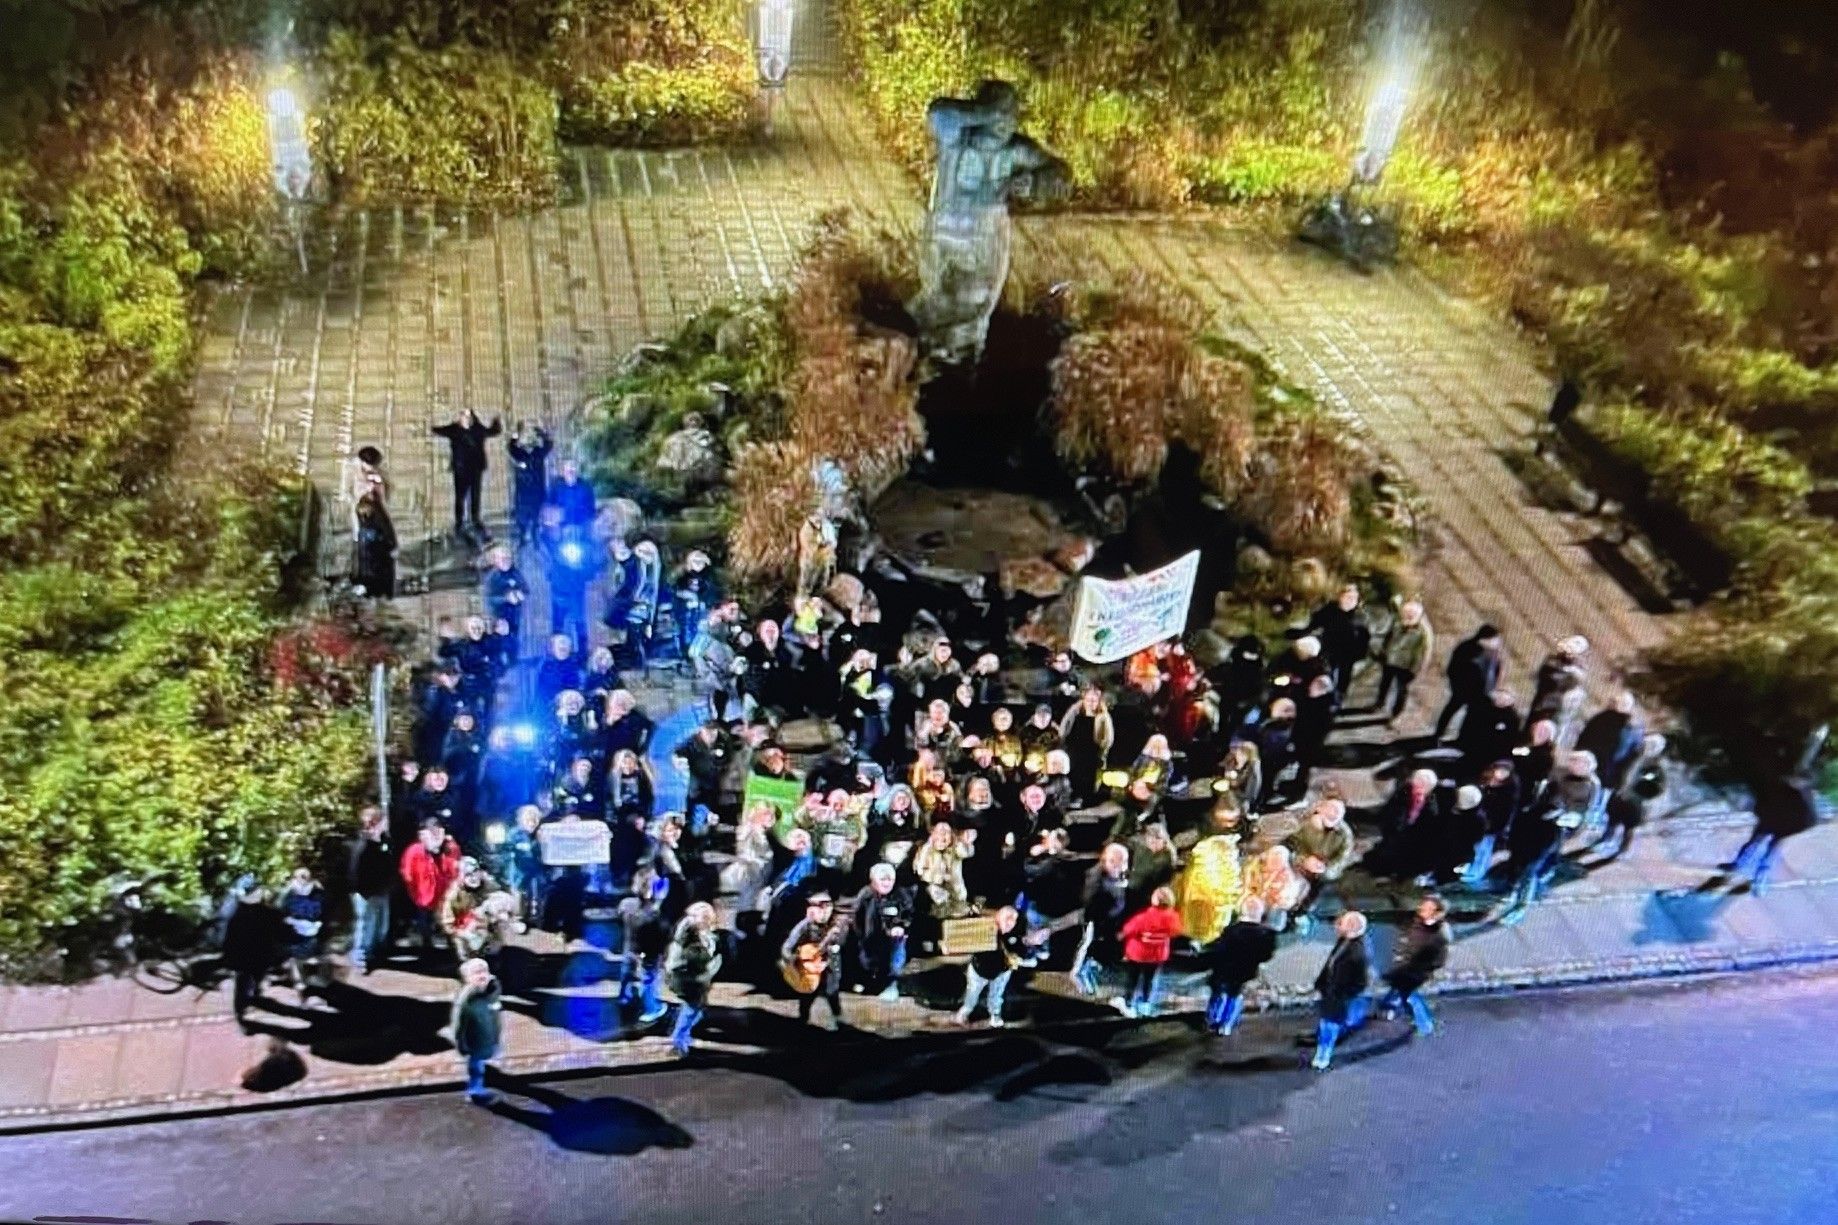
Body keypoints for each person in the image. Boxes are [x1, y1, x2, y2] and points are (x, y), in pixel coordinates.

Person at [1723, 772, 1820, 896]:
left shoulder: (1799, 795)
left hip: (1787, 823)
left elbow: (1807, 819)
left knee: (1770, 849)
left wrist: (1782, 829)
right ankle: (1742, 868)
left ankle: (1757, 879)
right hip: (1777, 818)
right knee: (1758, 843)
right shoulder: (1785, 787)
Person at [1204, 896, 1279, 1035]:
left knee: (1220, 992)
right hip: (1246, 970)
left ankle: (1214, 1020)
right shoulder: (1266, 934)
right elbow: (1266, 956)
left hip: (1225, 969)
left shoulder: (1232, 930)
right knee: (1236, 995)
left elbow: (1219, 950)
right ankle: (1227, 1025)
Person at [1379, 895, 1451, 1036]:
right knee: (1399, 990)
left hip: (1415, 972)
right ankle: (1389, 1008)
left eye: (1428, 907)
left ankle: (1425, 1025)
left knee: (1410, 996)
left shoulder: (1438, 936)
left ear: (1437, 913)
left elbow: (1439, 960)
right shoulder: (1418, 922)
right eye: (1423, 905)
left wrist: (1418, 967)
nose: (1422, 908)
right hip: (1404, 967)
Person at [1311, 911, 1372, 1071]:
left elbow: (1361, 981)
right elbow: (1330, 963)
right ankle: (1322, 1050)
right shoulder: (1344, 941)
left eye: (1342, 922)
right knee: (1326, 1023)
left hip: (1340, 996)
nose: (1338, 925)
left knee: (1330, 1025)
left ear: (1352, 926)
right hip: (1330, 992)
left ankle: (1324, 1055)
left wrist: (1345, 994)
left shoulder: (1359, 951)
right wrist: (1321, 983)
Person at [432, 409, 503, 545]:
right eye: (462, 415)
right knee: (460, 497)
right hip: (461, 469)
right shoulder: (454, 429)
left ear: (471, 418)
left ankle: (475, 519)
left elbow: (493, 432)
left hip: (475, 469)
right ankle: (459, 522)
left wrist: (496, 422)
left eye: (465, 415)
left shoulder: (478, 429)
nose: (462, 417)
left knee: (475, 496)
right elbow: (439, 430)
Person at [221, 880, 284, 1029]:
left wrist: (228, 956)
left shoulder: (237, 914)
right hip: (261, 956)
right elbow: (281, 934)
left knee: (242, 985)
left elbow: (229, 938)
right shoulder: (271, 914)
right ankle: (254, 1001)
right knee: (256, 979)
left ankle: (242, 1012)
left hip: (243, 958)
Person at [1594, 733, 1667, 862]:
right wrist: (1617, 786)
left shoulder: (1657, 767)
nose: (1646, 748)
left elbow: (1658, 787)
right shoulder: (1633, 757)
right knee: (1613, 819)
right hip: (1621, 793)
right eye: (1646, 744)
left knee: (1629, 827)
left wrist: (1639, 794)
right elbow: (1620, 771)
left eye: (1651, 746)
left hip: (1636, 801)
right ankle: (1606, 838)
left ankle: (1624, 849)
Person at [955, 905, 1031, 1027]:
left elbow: (1021, 949)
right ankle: (965, 1012)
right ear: (999, 918)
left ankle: (995, 1014)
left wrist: (1017, 958)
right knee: (972, 994)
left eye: (1013, 920)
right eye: (1007, 920)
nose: (1010, 924)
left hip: (1002, 972)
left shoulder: (1016, 933)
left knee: (996, 995)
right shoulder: (984, 929)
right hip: (979, 971)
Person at [781, 891, 848, 1029]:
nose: (824, 911)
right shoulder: (804, 926)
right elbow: (787, 947)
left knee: (832, 991)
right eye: (819, 906)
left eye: (827, 906)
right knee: (807, 995)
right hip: (808, 969)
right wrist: (798, 961)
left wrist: (828, 957)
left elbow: (840, 944)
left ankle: (838, 1019)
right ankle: (803, 1020)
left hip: (829, 964)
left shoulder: (836, 925)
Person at [1286, 798, 1355, 931]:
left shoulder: (1344, 834)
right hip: (1300, 863)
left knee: (1317, 889)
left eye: (1338, 812)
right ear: (1320, 808)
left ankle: (1299, 914)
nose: (1334, 814)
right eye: (1331, 809)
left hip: (1322, 872)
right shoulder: (1305, 824)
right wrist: (1304, 860)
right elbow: (1292, 845)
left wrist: (1324, 868)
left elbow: (1342, 859)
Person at [1072, 842, 1130, 996]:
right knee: (1087, 947)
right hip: (1096, 922)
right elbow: (1090, 904)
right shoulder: (1096, 878)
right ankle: (1078, 974)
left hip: (1107, 923)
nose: (1123, 866)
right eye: (1120, 862)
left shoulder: (1115, 875)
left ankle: (1088, 967)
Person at [665, 902, 723, 1057]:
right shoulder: (691, 942)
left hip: (693, 980)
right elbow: (699, 960)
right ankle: (678, 1042)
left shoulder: (692, 934)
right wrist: (713, 963)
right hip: (690, 982)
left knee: (696, 1011)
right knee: (691, 1011)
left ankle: (682, 1035)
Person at [1116, 886, 1182, 1017]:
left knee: (1133, 979)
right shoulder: (1173, 918)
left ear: (1155, 900)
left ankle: (1129, 1003)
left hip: (1138, 954)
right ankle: (1145, 1004)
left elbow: (1129, 929)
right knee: (1150, 979)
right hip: (1157, 955)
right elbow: (1176, 931)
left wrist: (1120, 935)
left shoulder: (1144, 917)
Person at [850, 863, 911, 1000]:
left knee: (897, 951)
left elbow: (907, 913)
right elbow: (857, 918)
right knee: (865, 957)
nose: (886, 883)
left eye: (890, 880)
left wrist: (900, 926)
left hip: (893, 937)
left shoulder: (900, 894)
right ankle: (866, 980)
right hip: (869, 937)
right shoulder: (865, 895)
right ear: (873, 880)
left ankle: (892, 984)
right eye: (882, 879)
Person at [401, 820, 463, 953]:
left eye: (438, 831)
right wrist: (412, 887)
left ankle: (451, 944)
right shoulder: (415, 850)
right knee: (425, 919)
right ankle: (427, 946)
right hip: (423, 893)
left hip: (443, 892)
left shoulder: (450, 847)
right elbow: (407, 871)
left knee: (447, 918)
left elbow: (455, 866)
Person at [1434, 624, 1503, 742]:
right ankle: (1438, 734)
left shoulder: (1493, 653)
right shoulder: (1466, 649)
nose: (1498, 642)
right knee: (1451, 709)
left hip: (1481, 693)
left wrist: (1492, 688)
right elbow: (1453, 668)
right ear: (1486, 639)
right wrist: (1457, 686)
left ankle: (1463, 738)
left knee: (1471, 716)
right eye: (1495, 639)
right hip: (1463, 689)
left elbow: (1494, 672)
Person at [346, 806, 394, 974]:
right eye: (383, 821)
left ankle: (372, 954)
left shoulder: (384, 841)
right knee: (365, 925)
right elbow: (355, 873)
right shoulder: (362, 846)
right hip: (366, 893)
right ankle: (360, 958)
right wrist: (364, 892)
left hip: (381, 891)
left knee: (379, 925)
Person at [450, 957, 503, 1105]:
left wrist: (496, 1039)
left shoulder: (491, 993)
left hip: (487, 1037)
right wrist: (461, 1043)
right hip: (474, 1041)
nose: (481, 975)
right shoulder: (466, 999)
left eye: (484, 971)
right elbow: (458, 1023)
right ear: (467, 978)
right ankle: (475, 1092)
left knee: (480, 1064)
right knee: (476, 1067)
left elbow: (495, 1017)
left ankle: (479, 1085)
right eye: (476, 973)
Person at [1373, 598, 1434, 723]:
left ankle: (1395, 715)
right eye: (1406, 614)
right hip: (1391, 660)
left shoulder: (1424, 631)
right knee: (1384, 684)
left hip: (1407, 666)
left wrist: (1418, 668)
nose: (1407, 617)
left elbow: (1425, 652)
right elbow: (1388, 637)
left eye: (1411, 615)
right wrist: (1383, 651)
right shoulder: (1398, 622)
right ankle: (1380, 703)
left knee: (1402, 691)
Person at [1307, 583, 1371, 699]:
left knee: (1343, 677)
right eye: (1348, 597)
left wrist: (1361, 653)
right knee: (1326, 676)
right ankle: (1324, 697)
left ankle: (1339, 697)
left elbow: (1365, 637)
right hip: (1329, 651)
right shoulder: (1329, 610)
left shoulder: (1360, 616)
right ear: (1340, 597)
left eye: (1354, 598)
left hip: (1349, 654)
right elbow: (1314, 625)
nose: (1350, 600)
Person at [506, 421, 552, 546]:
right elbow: (510, 446)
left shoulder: (538, 453)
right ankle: (522, 536)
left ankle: (535, 536)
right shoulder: (519, 453)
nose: (528, 442)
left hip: (537, 490)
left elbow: (549, 444)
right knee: (522, 516)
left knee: (537, 515)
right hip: (523, 491)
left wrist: (540, 431)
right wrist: (516, 433)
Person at [350, 491, 398, 599]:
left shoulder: (378, 519)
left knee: (377, 576)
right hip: (368, 555)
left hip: (378, 555)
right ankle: (371, 590)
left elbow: (387, 535)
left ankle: (378, 592)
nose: (363, 511)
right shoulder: (364, 518)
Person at [483, 546, 529, 644]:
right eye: (502, 558)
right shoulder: (491, 578)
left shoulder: (516, 573)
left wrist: (521, 594)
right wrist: (506, 598)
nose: (506, 561)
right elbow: (488, 599)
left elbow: (526, 589)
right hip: (500, 620)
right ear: (496, 560)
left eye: (508, 558)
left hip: (517, 618)